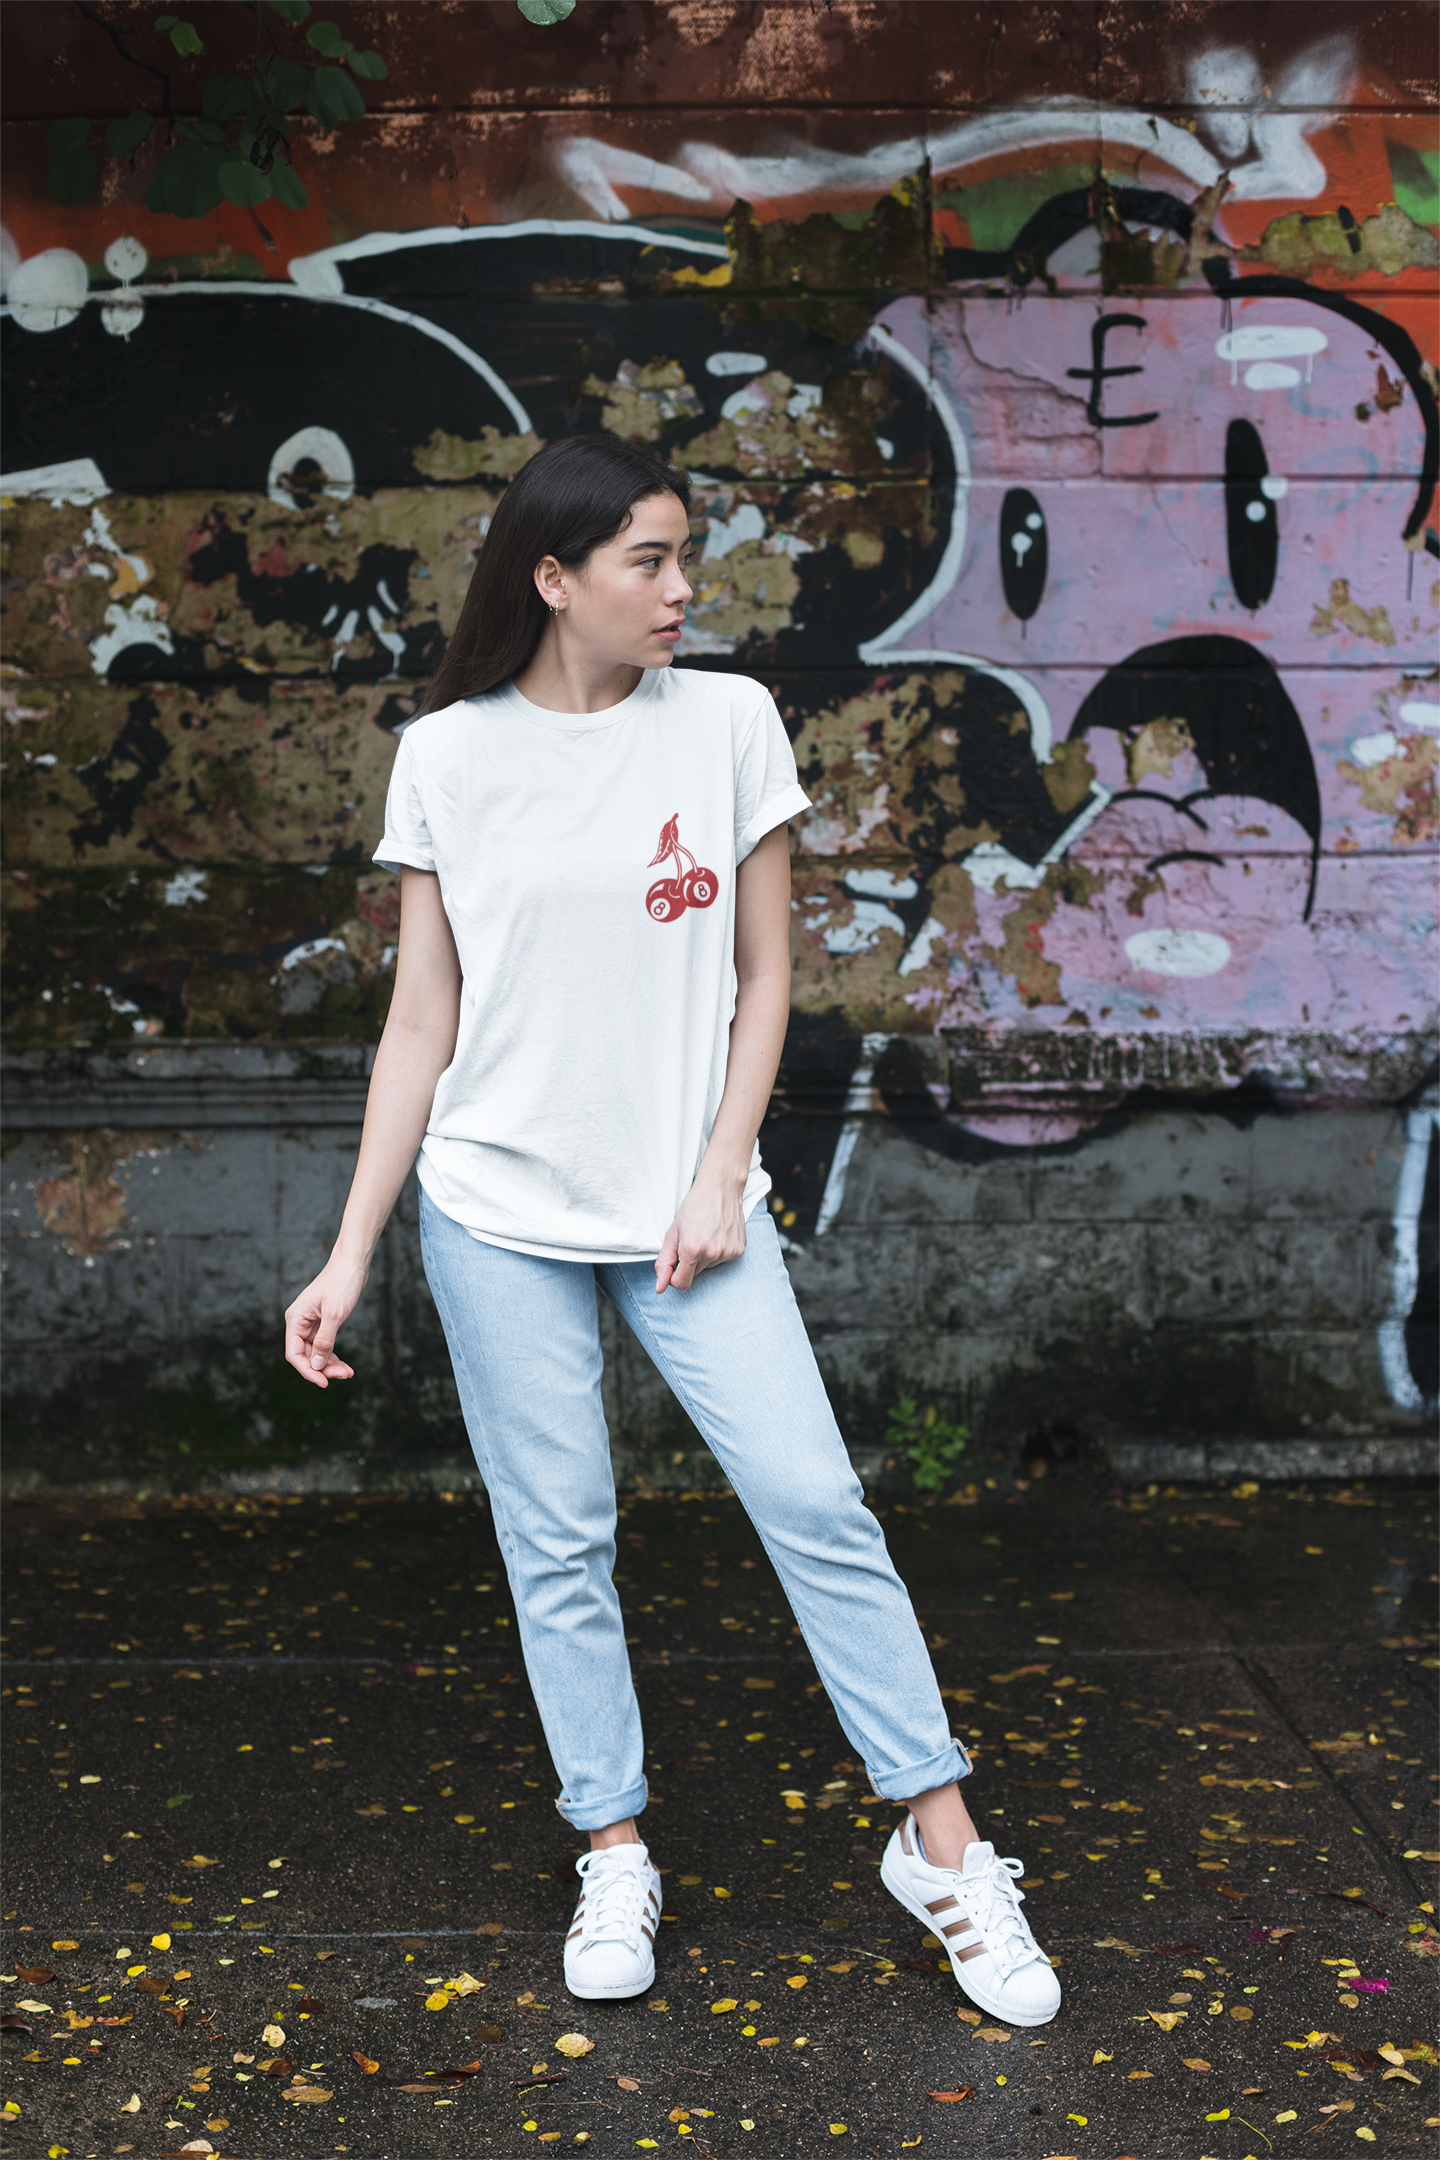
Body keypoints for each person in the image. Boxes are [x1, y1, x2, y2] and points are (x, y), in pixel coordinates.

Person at [281, 432, 1060, 2025]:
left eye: (685, 555)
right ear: (554, 579)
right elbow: (419, 1024)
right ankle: (611, 1844)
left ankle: (945, 1846)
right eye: (649, 559)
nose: (682, 588)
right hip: (496, 1208)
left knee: (817, 1501)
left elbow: (769, 975)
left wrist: (724, 1166)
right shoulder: (451, 754)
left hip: (689, 1211)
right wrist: (350, 1251)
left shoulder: (727, 724)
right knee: (559, 1544)